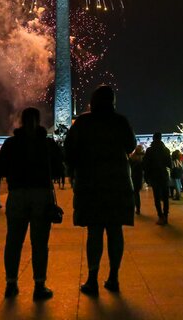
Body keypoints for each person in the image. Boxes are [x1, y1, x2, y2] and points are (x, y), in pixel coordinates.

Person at [65, 86, 136, 296]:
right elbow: (131, 146)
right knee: (115, 231)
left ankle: (92, 278)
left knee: (94, 232)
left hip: (91, 183)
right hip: (118, 183)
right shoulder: (120, 121)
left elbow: (69, 151)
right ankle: (113, 277)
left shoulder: (83, 122)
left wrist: (75, 169)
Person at [0, 107, 61, 301]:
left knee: (13, 242)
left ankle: (11, 284)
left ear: (21, 121)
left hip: (17, 194)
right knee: (40, 243)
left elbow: (0, 167)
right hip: (41, 195)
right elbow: (59, 169)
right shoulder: (47, 144)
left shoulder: (11, 144)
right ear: (38, 121)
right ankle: (39, 285)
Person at [143, 132, 172, 225]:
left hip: (154, 176)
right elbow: (170, 164)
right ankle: (166, 216)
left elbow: (146, 165)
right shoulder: (166, 150)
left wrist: (146, 177)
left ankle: (160, 216)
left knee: (157, 197)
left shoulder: (149, 150)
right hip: (164, 175)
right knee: (165, 197)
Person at [129, 145, 145, 214]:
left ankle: (133, 207)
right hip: (139, 177)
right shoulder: (143, 158)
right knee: (136, 193)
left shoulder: (132, 157)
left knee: (133, 193)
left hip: (132, 176)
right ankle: (138, 208)